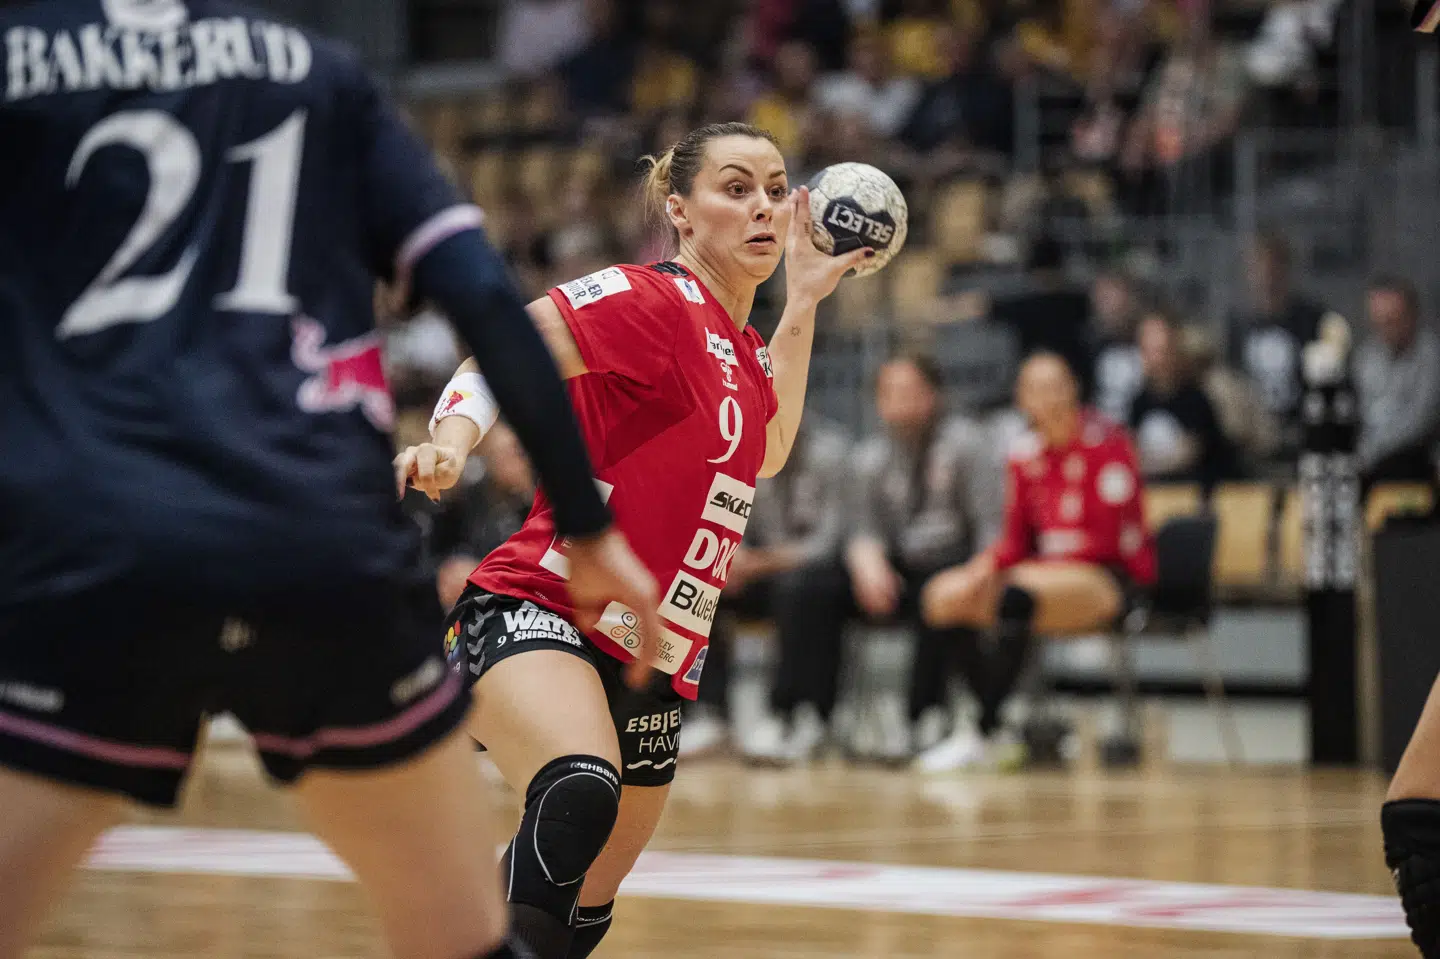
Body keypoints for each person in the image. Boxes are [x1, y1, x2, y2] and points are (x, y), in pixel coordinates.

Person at [0, 3, 661, 959]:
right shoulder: (318, 73)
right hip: (317, 543)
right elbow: (482, 295)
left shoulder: (22, 60)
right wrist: (592, 529)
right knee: (465, 939)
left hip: (101, 535)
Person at [399, 122, 871, 958]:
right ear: (680, 211)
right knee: (579, 788)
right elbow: (506, 347)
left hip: (654, 650)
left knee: (581, 897)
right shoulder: (649, 299)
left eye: (774, 188)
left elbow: (770, 447)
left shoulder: (744, 347)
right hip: (535, 607)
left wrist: (803, 299)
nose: (763, 206)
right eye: (735, 188)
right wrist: (453, 441)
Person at [918, 353, 1156, 766]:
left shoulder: (1109, 445)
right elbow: (1015, 540)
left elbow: (1108, 543)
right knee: (944, 596)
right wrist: (983, 567)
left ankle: (984, 729)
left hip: (1110, 577)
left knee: (1017, 594)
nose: (1047, 398)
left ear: (1072, 390)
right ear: (1021, 399)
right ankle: (994, 726)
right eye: (1035, 389)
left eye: (1056, 386)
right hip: (1043, 574)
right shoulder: (1024, 454)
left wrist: (1025, 568)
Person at [845, 354, 1006, 765]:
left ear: (933, 394)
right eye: (889, 393)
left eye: (909, 391)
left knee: (937, 593)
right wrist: (867, 562)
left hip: (959, 560)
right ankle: (802, 714)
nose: (899, 402)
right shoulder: (870, 457)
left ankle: (924, 715)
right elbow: (863, 528)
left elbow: (992, 526)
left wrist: (977, 573)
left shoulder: (968, 444)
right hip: (900, 564)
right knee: (810, 588)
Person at [688, 413, 853, 764]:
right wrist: (732, 558)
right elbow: (733, 520)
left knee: (802, 591)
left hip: (818, 574)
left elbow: (829, 542)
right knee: (702, 585)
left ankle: (791, 714)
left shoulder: (832, 455)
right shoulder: (743, 451)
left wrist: (762, 562)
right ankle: (709, 712)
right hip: (764, 570)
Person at [1128, 312, 1234, 490]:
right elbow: (1131, 452)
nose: (1157, 360)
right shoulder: (1139, 402)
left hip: (1195, 498)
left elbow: (1190, 453)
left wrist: (1145, 463)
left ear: (1175, 351)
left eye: (1162, 350)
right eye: (1149, 351)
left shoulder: (1195, 399)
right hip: (1152, 495)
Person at [1354, 275, 1440, 489]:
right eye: (1378, 322)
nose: (1384, 329)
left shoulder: (1431, 358)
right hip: (1367, 464)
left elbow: (1421, 422)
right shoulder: (1366, 358)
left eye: (1392, 321)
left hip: (1415, 463)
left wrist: (1370, 453)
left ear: (1412, 315)